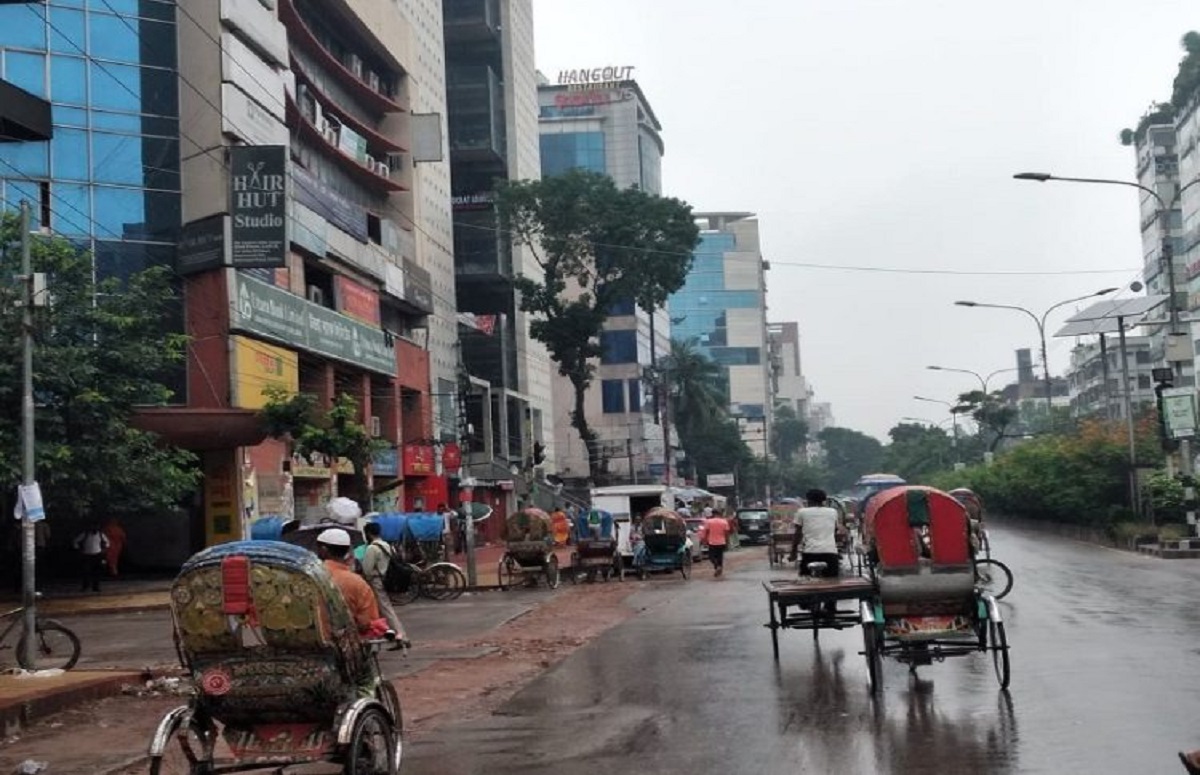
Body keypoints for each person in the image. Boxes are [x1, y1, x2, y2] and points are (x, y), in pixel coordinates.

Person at [315, 528, 386, 638]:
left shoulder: (309, 576)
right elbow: (368, 622)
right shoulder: (358, 583)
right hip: (347, 646)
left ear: (324, 550)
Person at [360, 523, 407, 649]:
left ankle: (401, 636)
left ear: (368, 533)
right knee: (383, 610)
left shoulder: (372, 548)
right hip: (387, 580)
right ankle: (388, 637)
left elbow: (367, 570)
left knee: (385, 610)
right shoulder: (387, 545)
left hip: (377, 582)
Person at [788, 488, 845, 579]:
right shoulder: (833, 512)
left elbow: (797, 534)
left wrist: (793, 553)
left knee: (805, 580)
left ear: (808, 500)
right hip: (830, 552)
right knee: (832, 582)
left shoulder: (802, 512)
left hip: (810, 553)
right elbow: (834, 531)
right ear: (824, 500)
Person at [73, 523, 110, 592]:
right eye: (93, 527)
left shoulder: (101, 534)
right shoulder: (85, 534)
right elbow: (75, 541)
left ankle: (96, 587)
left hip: (97, 555)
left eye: (96, 527)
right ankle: (85, 586)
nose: (94, 529)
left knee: (97, 572)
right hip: (87, 555)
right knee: (86, 572)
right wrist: (78, 549)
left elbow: (107, 542)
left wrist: (103, 549)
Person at [698, 507, 731, 577]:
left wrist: (704, 540)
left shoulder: (709, 521)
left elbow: (706, 532)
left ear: (713, 514)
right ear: (720, 514)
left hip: (712, 542)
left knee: (711, 557)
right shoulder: (724, 522)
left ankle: (717, 566)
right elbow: (727, 533)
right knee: (720, 556)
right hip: (722, 542)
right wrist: (727, 542)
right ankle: (720, 569)